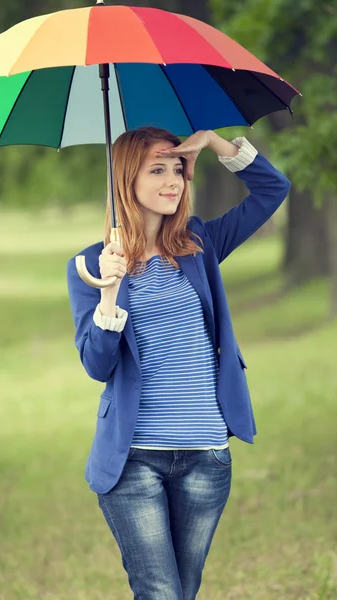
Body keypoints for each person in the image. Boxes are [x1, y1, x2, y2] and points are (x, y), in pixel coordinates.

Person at [66, 126, 291, 599]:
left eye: (178, 170)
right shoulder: (91, 263)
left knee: (183, 592)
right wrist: (108, 295)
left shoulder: (198, 243)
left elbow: (274, 189)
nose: (174, 181)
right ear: (126, 179)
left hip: (206, 456)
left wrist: (214, 143)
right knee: (160, 593)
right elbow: (96, 365)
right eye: (157, 170)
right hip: (134, 460)